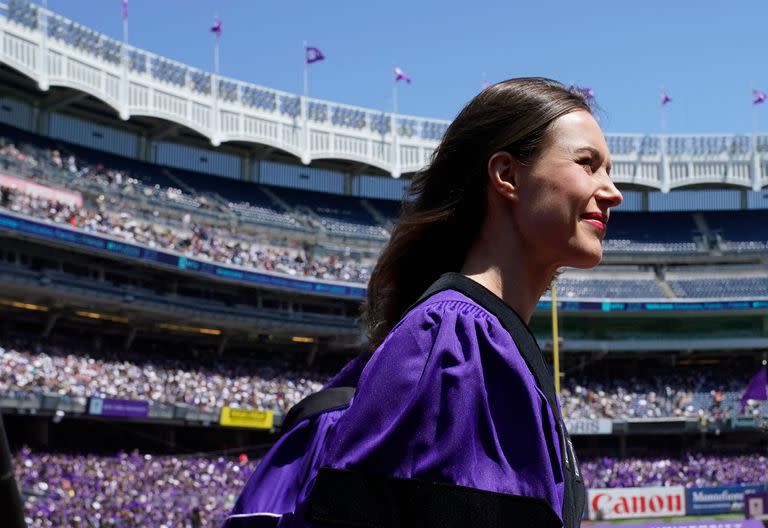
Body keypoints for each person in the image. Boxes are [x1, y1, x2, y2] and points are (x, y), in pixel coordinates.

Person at [225, 77, 622, 528]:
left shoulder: (475, 335)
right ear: (507, 174)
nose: (613, 191)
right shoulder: (458, 342)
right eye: (588, 164)